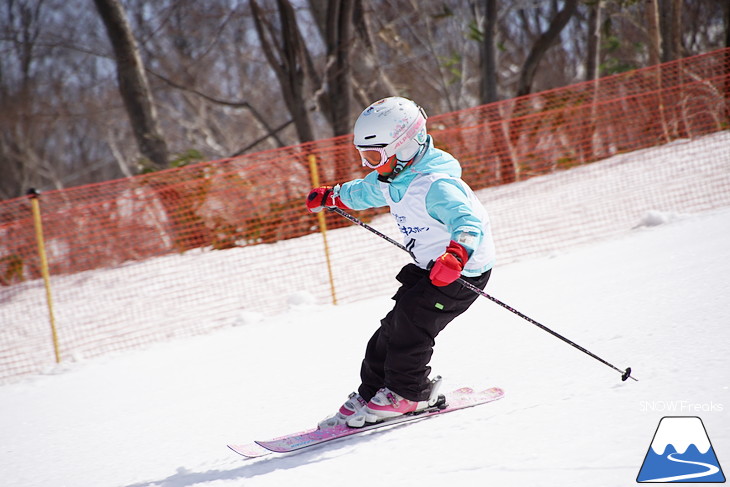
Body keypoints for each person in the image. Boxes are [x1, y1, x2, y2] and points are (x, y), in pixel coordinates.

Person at [306, 96, 495, 429]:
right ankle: (374, 392)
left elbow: (467, 223)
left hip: (462, 272)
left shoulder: (436, 185)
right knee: (390, 329)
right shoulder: (394, 178)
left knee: (411, 326)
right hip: (430, 270)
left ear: (405, 146)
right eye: (364, 156)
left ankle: (410, 393)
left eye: (374, 156)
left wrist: (456, 255)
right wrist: (334, 195)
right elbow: (365, 191)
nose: (370, 165)